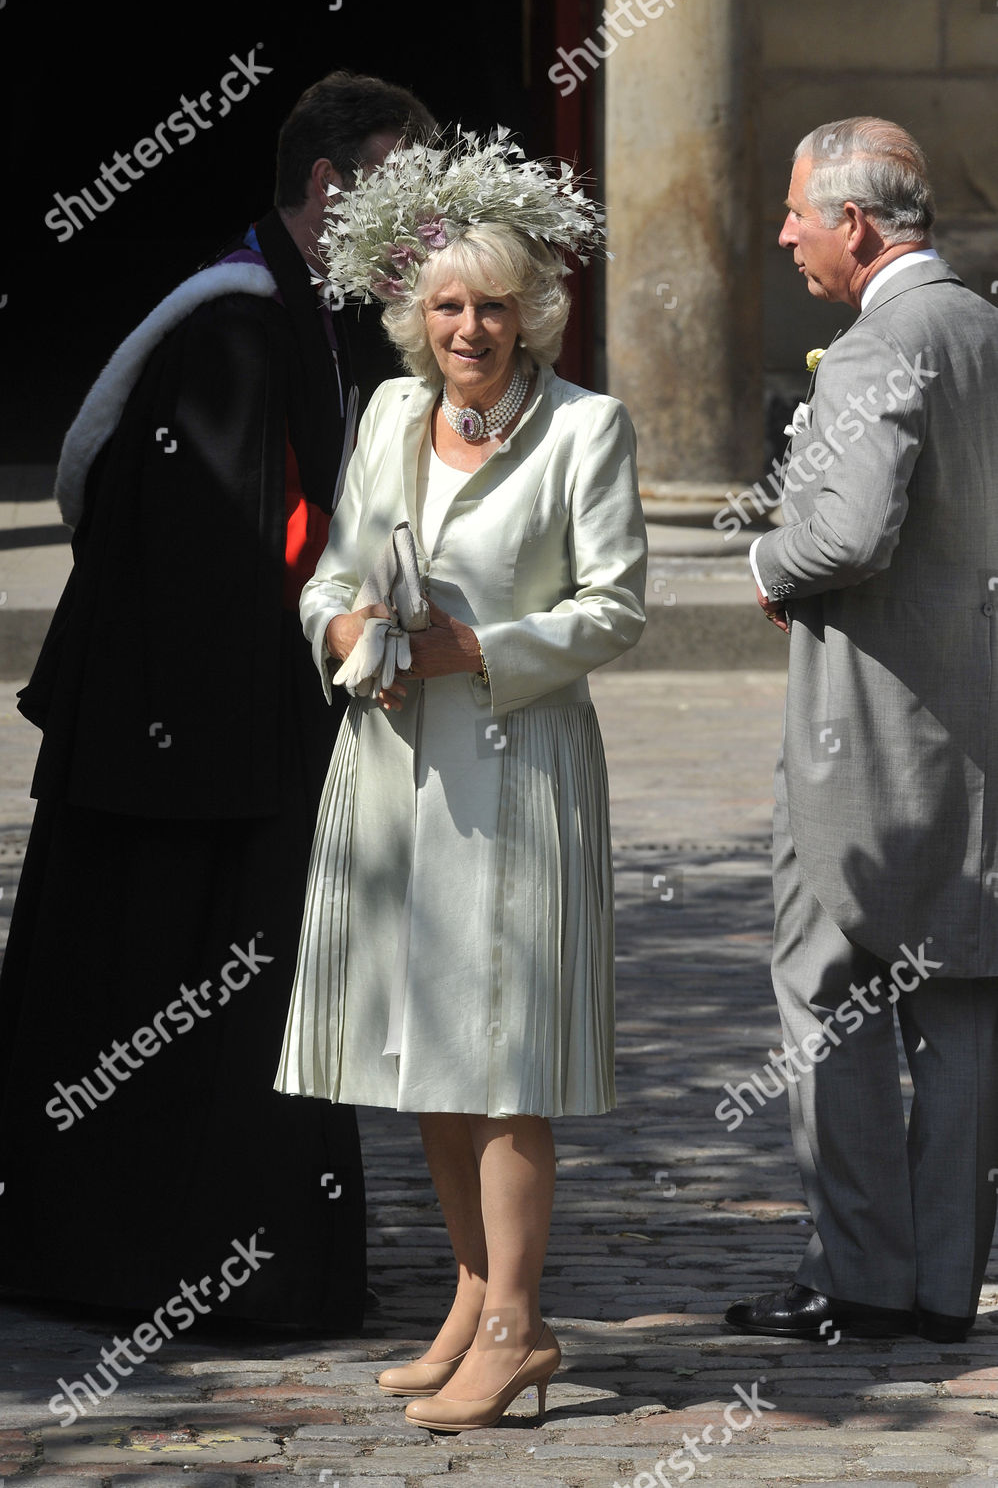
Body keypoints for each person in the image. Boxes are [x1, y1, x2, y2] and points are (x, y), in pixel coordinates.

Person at [0, 70, 437, 1329]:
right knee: (172, 988)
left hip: (233, 729)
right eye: (400, 187)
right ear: (328, 186)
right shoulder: (236, 324)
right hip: (191, 751)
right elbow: (221, 557)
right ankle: (173, 1263)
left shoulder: (310, 309)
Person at [274, 129, 647, 1427]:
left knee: (503, 1058)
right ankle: (471, 1296)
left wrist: (476, 646)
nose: (469, 330)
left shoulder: (584, 430)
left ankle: (520, 1326)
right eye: (446, 306)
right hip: (389, 775)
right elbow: (330, 568)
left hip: (516, 781)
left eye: (493, 306)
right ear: (411, 313)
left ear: (532, 311)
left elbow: (617, 610)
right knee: (427, 1056)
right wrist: (340, 627)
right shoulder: (387, 414)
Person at [725, 117, 998, 1345]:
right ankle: (943, 1284)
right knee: (962, 1006)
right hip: (974, 730)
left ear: (855, 223)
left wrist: (762, 560)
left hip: (863, 739)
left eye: (796, 212)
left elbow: (844, 536)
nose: (782, 233)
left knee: (826, 992)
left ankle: (861, 1279)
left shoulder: (871, 347)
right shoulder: (982, 327)